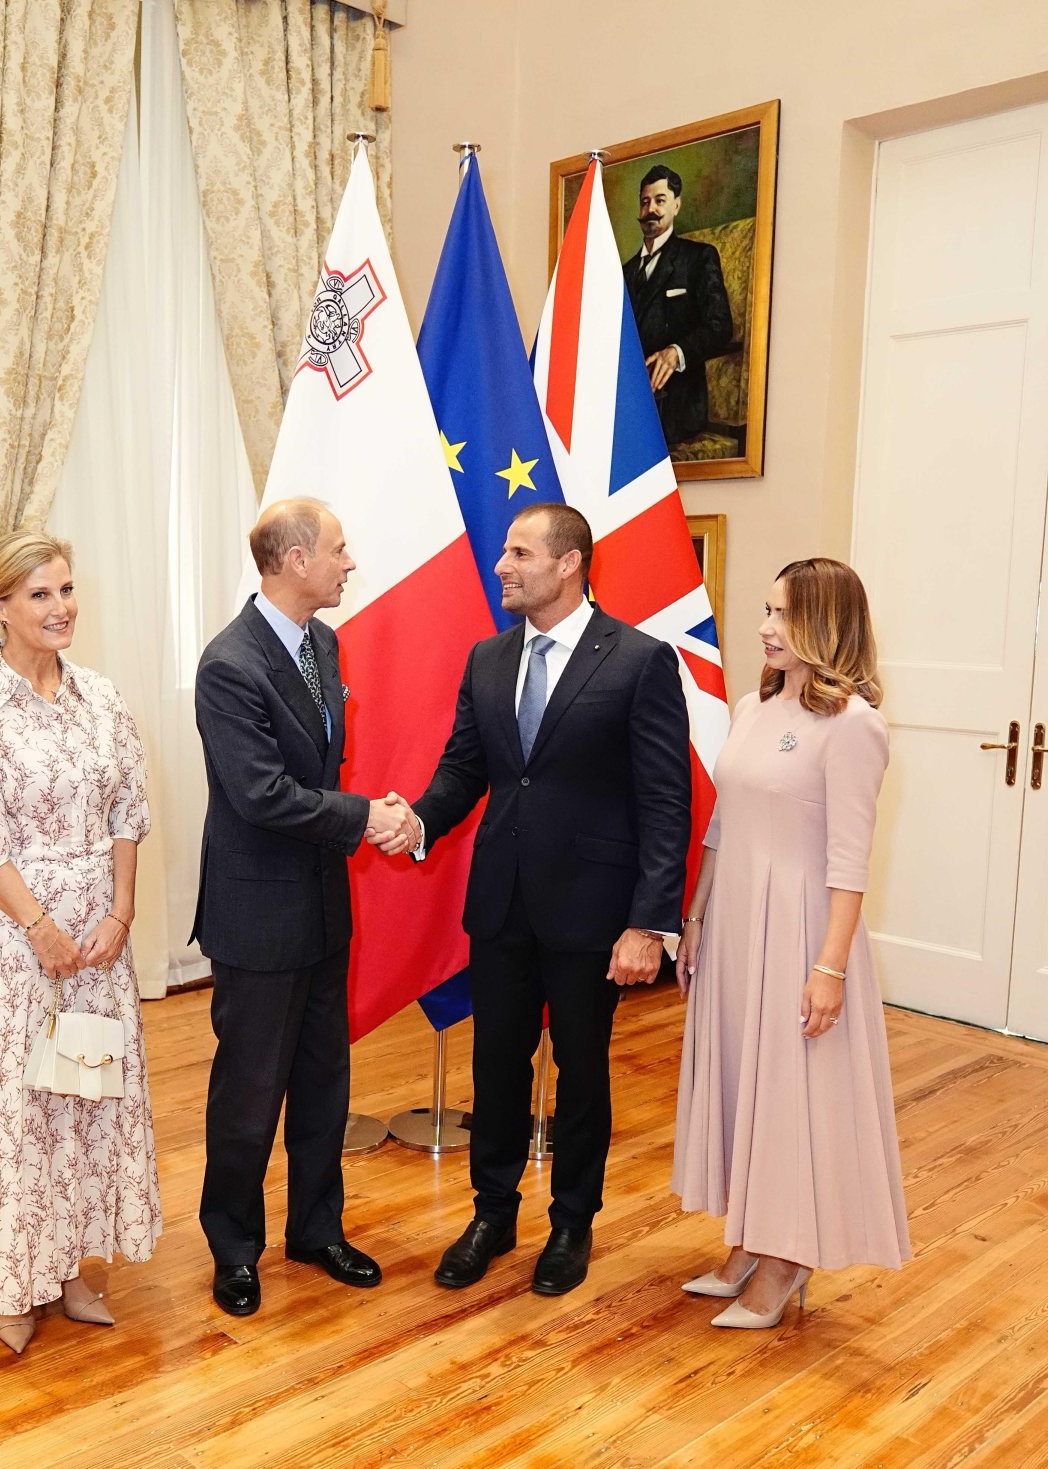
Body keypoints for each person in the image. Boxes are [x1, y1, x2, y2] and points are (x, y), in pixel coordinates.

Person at [405, 504, 691, 1295]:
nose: (503, 565)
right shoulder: (488, 659)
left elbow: (666, 802)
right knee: (494, 1066)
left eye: (519, 553)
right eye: (505, 553)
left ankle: (571, 1224)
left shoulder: (638, 661)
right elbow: (466, 770)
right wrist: (418, 820)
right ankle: (491, 1214)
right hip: (501, 904)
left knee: (580, 1072)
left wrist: (649, 922)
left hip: (593, 916)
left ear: (569, 564)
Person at [0, 531, 162, 1356]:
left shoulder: (100, 696)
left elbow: (129, 811)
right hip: (13, 944)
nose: (60, 607)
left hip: (96, 945)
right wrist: (41, 927)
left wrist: (122, 915)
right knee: (17, 1108)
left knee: (81, 1101)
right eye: (39, 595)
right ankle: (9, 1283)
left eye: (65, 589)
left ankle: (66, 1269)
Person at [192, 498, 418, 1318]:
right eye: (338, 549)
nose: (348, 562)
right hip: (257, 916)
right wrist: (366, 818)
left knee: (326, 1082)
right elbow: (260, 795)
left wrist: (361, 812)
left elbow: (317, 773)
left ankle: (317, 1229)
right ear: (293, 560)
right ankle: (235, 1248)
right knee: (249, 1094)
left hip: (323, 905)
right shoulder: (229, 664)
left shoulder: (322, 640)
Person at [672, 558, 911, 1329]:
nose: (767, 627)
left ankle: (786, 1260)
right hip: (737, 922)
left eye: (783, 614)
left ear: (825, 624)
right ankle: (748, 1234)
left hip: (803, 928)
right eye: (767, 611)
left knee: (791, 1090)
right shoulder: (752, 706)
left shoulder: (854, 726)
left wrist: (829, 966)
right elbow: (721, 823)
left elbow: (850, 860)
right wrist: (698, 916)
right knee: (747, 1078)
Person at [622, 164, 733, 446]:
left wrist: (676, 352)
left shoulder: (698, 258)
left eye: (660, 201)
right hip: (627, 404)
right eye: (645, 202)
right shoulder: (622, 273)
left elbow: (720, 326)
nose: (651, 210)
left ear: (676, 206)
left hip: (677, 406)